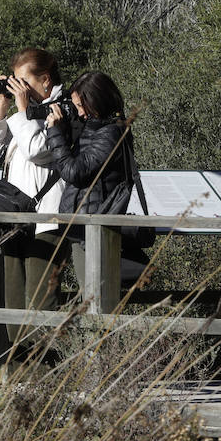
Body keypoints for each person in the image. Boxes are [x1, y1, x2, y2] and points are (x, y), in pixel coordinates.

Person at [0, 46, 68, 365]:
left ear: (45, 79)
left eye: (23, 81)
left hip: (46, 217)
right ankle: (18, 363)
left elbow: (34, 149)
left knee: (41, 295)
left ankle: (44, 367)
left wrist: (21, 106)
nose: (18, 87)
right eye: (14, 81)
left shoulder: (62, 109)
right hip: (15, 216)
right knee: (13, 295)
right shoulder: (26, 109)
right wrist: (4, 104)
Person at [44, 71, 135, 299]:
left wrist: (54, 132)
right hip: (83, 227)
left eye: (82, 105)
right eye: (76, 106)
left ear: (97, 100)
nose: (80, 112)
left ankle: (100, 334)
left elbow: (74, 172)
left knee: (94, 299)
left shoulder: (111, 133)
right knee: (90, 296)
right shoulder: (95, 129)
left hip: (95, 228)